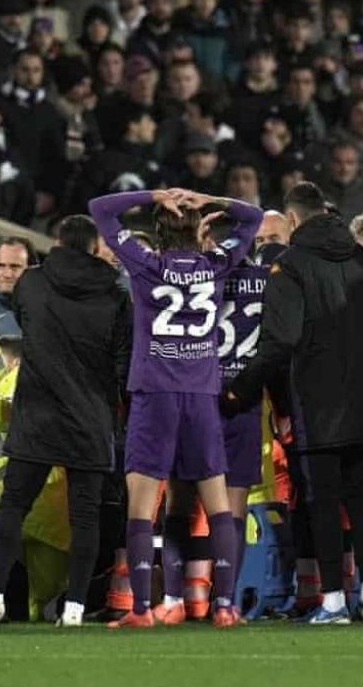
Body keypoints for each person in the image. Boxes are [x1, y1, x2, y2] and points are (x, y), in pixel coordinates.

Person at [225, 182, 363, 625]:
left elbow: (280, 342)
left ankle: (333, 601)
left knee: (323, 501)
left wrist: (241, 390)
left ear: (292, 220)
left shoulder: (290, 267)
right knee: (358, 495)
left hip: (317, 399)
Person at [90, 187, 262, 629]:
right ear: (197, 233)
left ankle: (142, 611)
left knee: (143, 504)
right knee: (218, 502)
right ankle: (224, 607)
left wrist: (154, 194)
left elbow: (100, 210)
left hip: (155, 393)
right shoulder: (215, 264)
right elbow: (253, 217)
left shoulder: (146, 265)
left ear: (158, 236)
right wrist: (207, 198)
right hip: (202, 394)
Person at [0, 215, 132, 628]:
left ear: (57, 243)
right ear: (95, 248)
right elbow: (123, 365)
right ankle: (74, 608)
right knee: (85, 517)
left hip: (37, 414)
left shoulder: (33, 283)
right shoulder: (114, 295)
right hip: (90, 419)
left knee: (13, 507)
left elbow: (26, 320)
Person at [154, 221, 281, 626]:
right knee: (232, 506)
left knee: (180, 500)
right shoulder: (267, 281)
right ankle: (225, 604)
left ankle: (174, 600)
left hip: (195, 397)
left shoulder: (196, 280)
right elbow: (277, 343)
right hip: (242, 403)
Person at [0, 237, 36, 338]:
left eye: (15, 267)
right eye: (1, 266)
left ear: (32, 270)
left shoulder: (49, 309)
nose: (7, 274)